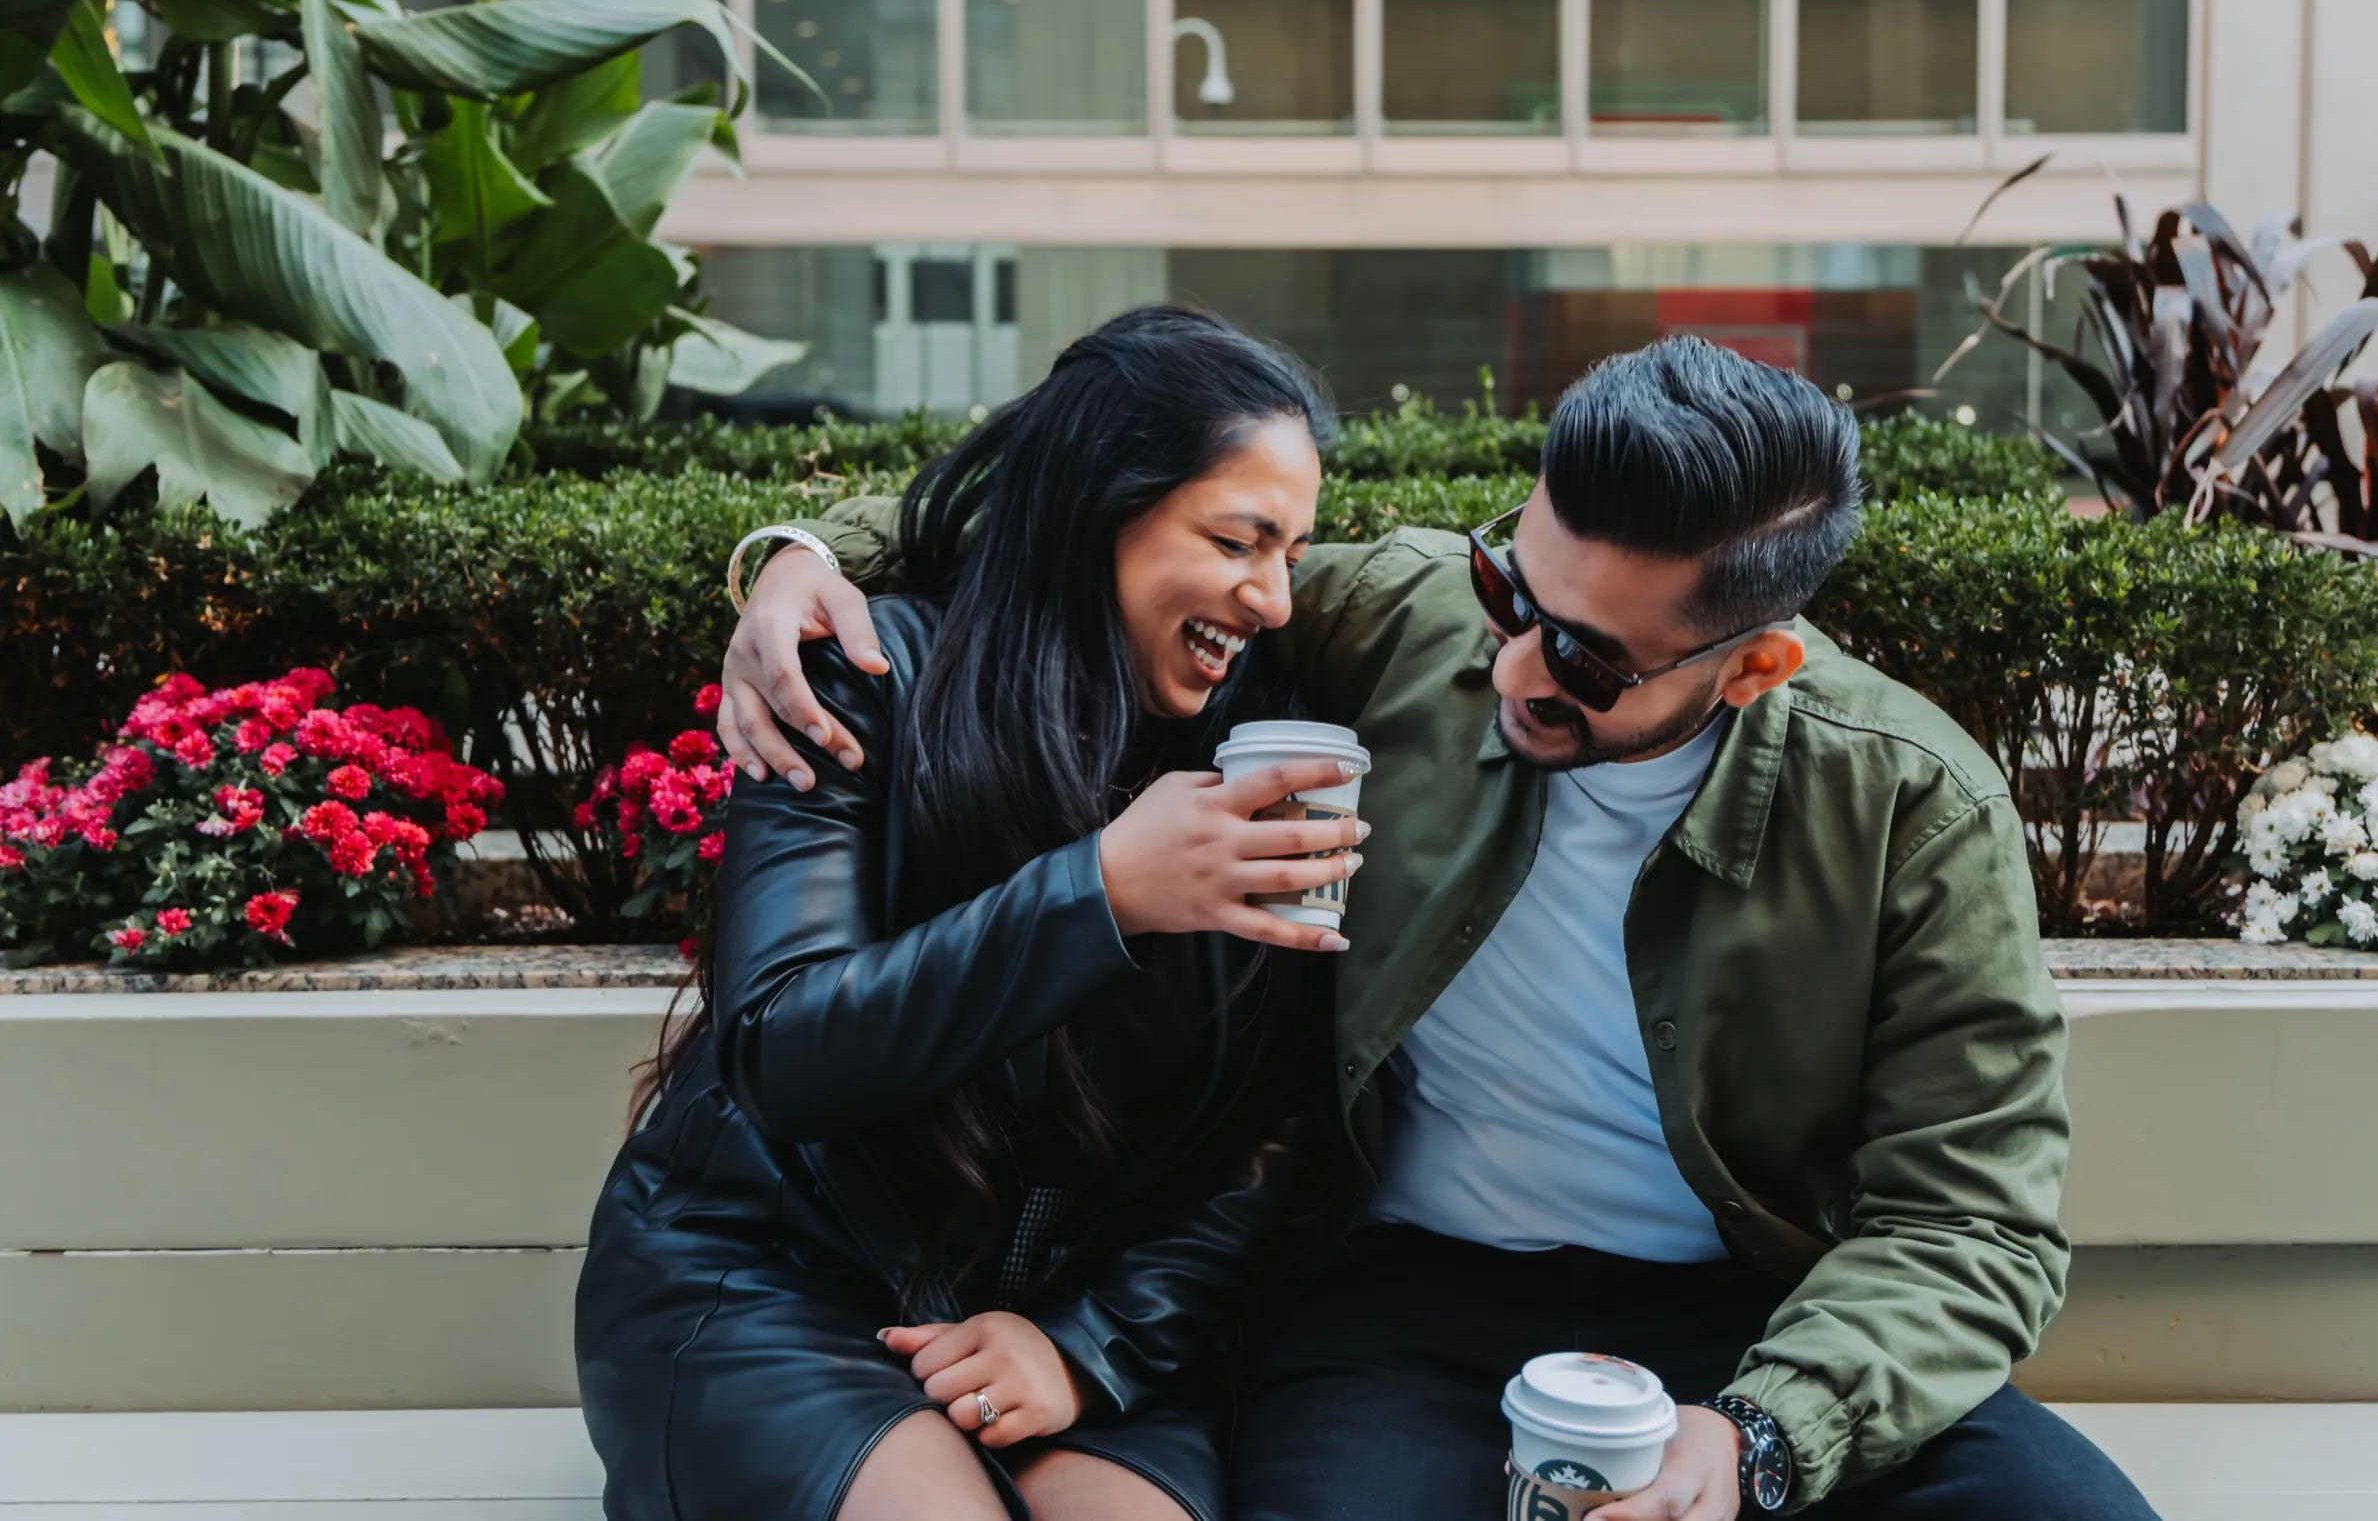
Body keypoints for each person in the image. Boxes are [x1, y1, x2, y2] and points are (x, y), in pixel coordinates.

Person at [716, 336, 2159, 1521]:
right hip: (1400, 1302)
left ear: (1756, 663)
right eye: (1509, 587)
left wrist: (1760, 1437)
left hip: (1761, 1309)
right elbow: (1068, 519)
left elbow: (1968, 1220)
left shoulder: (1913, 805)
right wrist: (795, 560)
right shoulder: (1410, 623)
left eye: (1587, 658)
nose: (1514, 666)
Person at [576, 306, 1362, 1521]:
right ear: (1101, 503)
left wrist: (1085, 1344)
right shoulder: (863, 679)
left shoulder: (1260, 746)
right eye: (1237, 539)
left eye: (1293, 554)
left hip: (1083, 1310)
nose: (1273, 600)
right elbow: (784, 1049)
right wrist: (1100, 891)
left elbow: (1284, 1132)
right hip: (776, 1278)